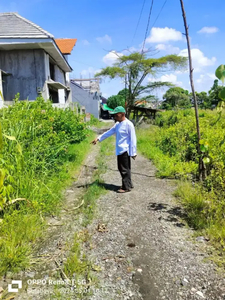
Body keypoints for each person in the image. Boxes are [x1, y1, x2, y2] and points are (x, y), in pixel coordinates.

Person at [91, 106, 137, 193]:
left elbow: (133, 139)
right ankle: (129, 184)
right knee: (122, 168)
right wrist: (98, 138)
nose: (114, 117)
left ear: (122, 114)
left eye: (116, 115)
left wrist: (133, 152)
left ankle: (126, 187)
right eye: (114, 115)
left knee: (124, 169)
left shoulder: (129, 124)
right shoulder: (117, 124)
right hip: (119, 150)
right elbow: (109, 132)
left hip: (125, 150)